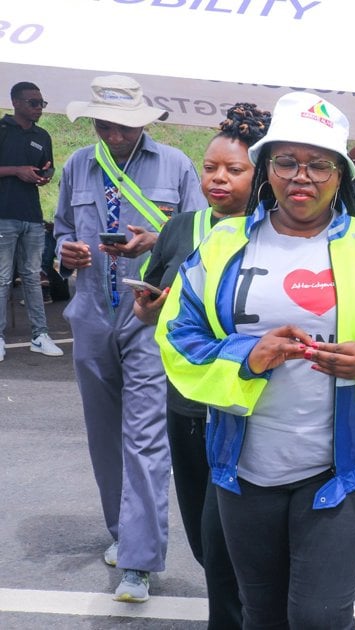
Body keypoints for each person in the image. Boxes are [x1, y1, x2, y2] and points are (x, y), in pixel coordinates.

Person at [156, 91, 355, 628]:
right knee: (260, 613)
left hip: (342, 465)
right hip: (243, 467)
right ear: (267, 169)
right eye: (286, 162)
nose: (301, 177)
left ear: (341, 174)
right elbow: (177, 336)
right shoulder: (222, 245)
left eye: (319, 165)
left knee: (319, 615)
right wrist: (247, 356)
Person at [54, 74, 206, 603]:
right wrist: (65, 254)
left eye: (122, 125)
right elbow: (60, 232)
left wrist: (155, 239)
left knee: (144, 438)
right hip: (92, 316)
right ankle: (123, 532)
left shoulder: (177, 166)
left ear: (141, 122)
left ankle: (139, 563)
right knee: (103, 437)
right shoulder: (77, 165)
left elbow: (202, 238)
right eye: (103, 124)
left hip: (149, 317)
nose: (113, 134)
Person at [132, 102, 272, 628]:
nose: (218, 178)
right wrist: (148, 308)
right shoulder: (179, 229)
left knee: (223, 540)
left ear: (260, 175)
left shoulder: (273, 234)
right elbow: (151, 301)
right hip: (186, 406)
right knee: (202, 540)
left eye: (234, 169)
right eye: (210, 167)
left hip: (243, 409)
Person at [0, 80, 61, 360]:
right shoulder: (2, 130)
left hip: (32, 216)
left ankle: (40, 334)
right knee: (2, 279)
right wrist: (17, 171)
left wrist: (43, 175)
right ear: (15, 103)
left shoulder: (42, 135)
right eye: (33, 103)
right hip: (4, 214)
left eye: (42, 103)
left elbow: (46, 170)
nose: (39, 108)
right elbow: (19, 170)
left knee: (33, 278)